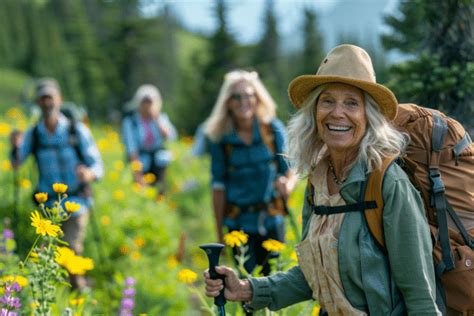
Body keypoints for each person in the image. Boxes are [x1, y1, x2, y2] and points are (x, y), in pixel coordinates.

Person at [204, 45, 441, 314]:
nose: (337, 113)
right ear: (315, 112)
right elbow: (314, 274)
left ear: (369, 115)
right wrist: (248, 289)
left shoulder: (387, 183)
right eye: (327, 101)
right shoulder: (318, 181)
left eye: (352, 103)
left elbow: (421, 296)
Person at [10, 78, 104, 290]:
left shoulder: (75, 130)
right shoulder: (33, 134)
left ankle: (78, 292)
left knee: (70, 249)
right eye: (42, 98)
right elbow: (16, 163)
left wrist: (88, 174)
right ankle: (56, 298)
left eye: (50, 97)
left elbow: (98, 166)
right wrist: (15, 147)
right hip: (47, 204)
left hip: (76, 201)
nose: (46, 103)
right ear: (37, 102)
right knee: (48, 255)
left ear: (59, 100)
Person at [204, 70, 297, 275]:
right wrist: (219, 234)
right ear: (227, 102)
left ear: (257, 99)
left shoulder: (272, 129)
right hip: (238, 224)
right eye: (237, 97)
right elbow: (218, 187)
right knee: (245, 285)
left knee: (275, 281)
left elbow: (291, 170)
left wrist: (287, 185)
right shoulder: (220, 138)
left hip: (272, 219)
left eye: (249, 95)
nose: (243, 101)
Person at [121, 84, 177, 195]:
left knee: (165, 157)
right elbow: (131, 149)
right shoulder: (131, 122)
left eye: (150, 102)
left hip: (158, 158)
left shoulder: (161, 118)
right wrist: (138, 175)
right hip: (141, 158)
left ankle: (163, 191)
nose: (147, 105)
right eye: (144, 101)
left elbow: (171, 137)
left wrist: (157, 119)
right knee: (142, 165)